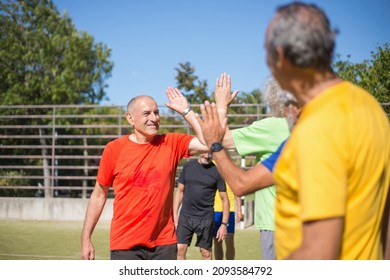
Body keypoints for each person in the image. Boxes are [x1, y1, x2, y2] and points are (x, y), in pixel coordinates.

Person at [199, 2, 390, 259]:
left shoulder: (317, 130)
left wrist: (215, 145)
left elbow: (319, 250)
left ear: (280, 56)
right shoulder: (371, 108)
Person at [80, 95, 209, 260]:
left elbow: (208, 144)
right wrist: (86, 238)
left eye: (156, 112)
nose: (154, 118)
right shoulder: (113, 149)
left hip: (164, 244)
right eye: (147, 113)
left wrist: (186, 111)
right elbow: (98, 195)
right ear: (130, 118)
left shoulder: (171, 142)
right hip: (125, 244)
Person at [173, 153, 229, 260]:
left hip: (206, 219)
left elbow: (225, 200)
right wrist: (175, 215)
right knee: (179, 249)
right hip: (186, 216)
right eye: (205, 152)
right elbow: (179, 191)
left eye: (210, 153)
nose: (207, 156)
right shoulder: (188, 166)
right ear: (200, 150)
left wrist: (223, 225)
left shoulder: (217, 171)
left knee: (206, 253)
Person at [213, 182, 242, 260]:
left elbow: (237, 192)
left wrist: (239, 209)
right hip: (215, 210)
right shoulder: (211, 172)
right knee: (217, 242)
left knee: (229, 241)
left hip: (229, 210)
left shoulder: (228, 174)